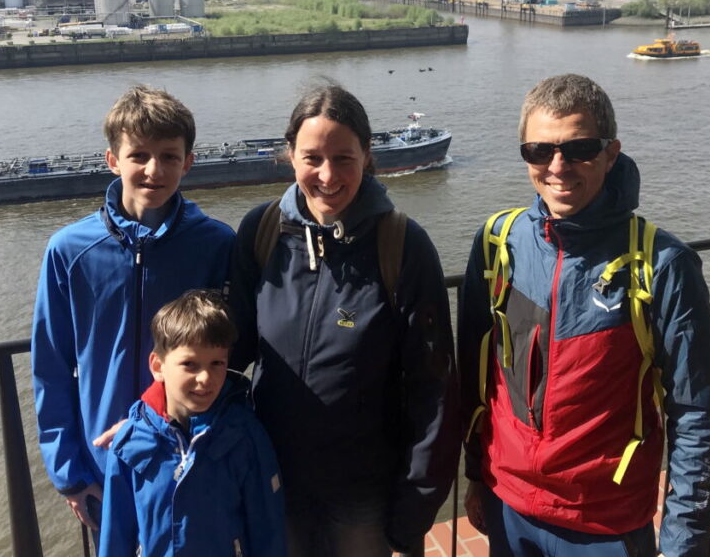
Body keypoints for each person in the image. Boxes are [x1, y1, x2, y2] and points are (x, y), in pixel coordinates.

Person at [458, 74, 710, 557]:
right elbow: (482, 381)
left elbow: (696, 412)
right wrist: (477, 473)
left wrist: (683, 542)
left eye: (579, 148)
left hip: (604, 521)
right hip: (510, 505)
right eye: (539, 151)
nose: (557, 167)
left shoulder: (661, 263)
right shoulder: (499, 242)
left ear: (610, 152)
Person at [227, 82, 459, 557]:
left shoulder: (403, 246)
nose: (327, 175)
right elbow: (227, 353)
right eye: (312, 157)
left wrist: (416, 503)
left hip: (364, 494)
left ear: (367, 156)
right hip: (275, 478)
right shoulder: (262, 232)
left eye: (344, 158)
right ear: (290, 155)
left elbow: (432, 388)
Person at [32, 85, 235, 532]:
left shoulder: (218, 245)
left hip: (190, 455)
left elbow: (233, 356)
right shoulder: (69, 251)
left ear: (188, 162)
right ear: (112, 160)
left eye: (168, 156)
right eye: (138, 155)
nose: (153, 170)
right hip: (105, 462)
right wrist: (68, 472)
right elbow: (51, 364)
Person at [99, 290, 287, 557]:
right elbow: (114, 535)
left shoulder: (245, 436)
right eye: (190, 364)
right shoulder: (129, 442)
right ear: (158, 366)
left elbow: (267, 530)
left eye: (217, 363)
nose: (205, 378)